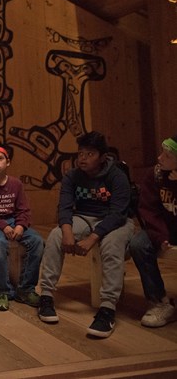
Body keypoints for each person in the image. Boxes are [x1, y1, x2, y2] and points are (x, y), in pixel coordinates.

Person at [37, 131, 134, 338]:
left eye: (89, 154)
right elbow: (64, 206)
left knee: (111, 245)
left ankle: (107, 309)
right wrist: (67, 231)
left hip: (116, 220)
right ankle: (45, 296)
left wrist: (93, 237)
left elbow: (118, 213)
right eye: (81, 153)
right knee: (55, 236)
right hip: (83, 216)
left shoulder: (117, 175)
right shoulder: (73, 176)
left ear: (102, 157)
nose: (82, 158)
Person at [0, 145, 44, 312]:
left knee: (37, 241)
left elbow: (23, 210)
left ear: (8, 162)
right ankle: (1, 291)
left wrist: (20, 225)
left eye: (0, 159)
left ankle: (26, 289)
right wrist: (2, 226)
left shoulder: (16, 184)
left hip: (13, 221)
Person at [129, 134, 177, 327]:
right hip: (164, 229)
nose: (160, 158)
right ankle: (159, 302)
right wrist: (160, 236)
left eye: (167, 156)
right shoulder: (155, 175)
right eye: (161, 153)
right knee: (138, 244)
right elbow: (148, 210)